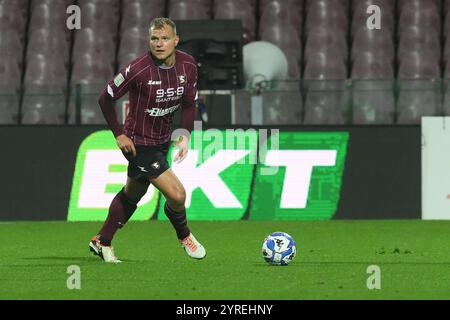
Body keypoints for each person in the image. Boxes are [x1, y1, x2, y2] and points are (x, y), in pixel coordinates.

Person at [89, 17, 206, 263]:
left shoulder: (188, 65)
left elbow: (188, 104)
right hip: (138, 142)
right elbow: (105, 98)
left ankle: (102, 241)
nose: (159, 43)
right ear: (148, 40)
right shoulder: (138, 69)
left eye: (165, 38)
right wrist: (119, 134)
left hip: (162, 140)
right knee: (177, 195)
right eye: (154, 38)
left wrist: (184, 135)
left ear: (176, 40)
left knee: (134, 193)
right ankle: (184, 235)